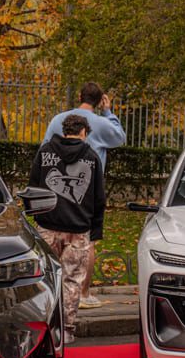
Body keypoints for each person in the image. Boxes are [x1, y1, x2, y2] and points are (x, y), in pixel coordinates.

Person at [43, 82, 125, 309]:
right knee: (86, 240)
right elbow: (119, 138)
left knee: (55, 235)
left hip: (57, 184)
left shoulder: (57, 119)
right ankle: (84, 293)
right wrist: (109, 112)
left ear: (79, 96)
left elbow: (44, 148)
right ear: (99, 100)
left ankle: (54, 291)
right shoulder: (101, 122)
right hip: (86, 186)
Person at [29, 114, 106, 345]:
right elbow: (98, 197)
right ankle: (67, 330)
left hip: (47, 225)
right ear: (83, 132)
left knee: (45, 277)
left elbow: (33, 186)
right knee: (72, 280)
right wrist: (96, 230)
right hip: (78, 228)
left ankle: (45, 325)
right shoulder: (92, 157)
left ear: (64, 131)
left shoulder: (44, 153)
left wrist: (35, 216)